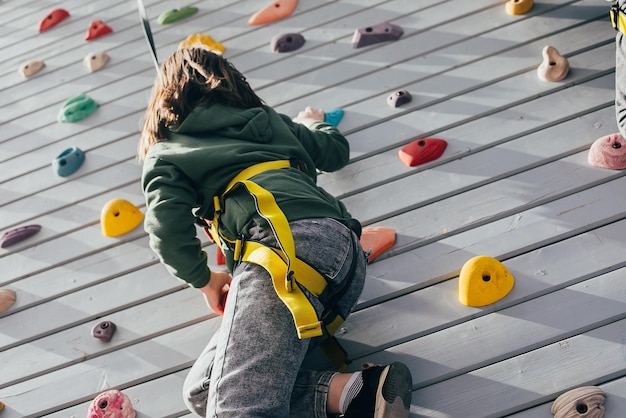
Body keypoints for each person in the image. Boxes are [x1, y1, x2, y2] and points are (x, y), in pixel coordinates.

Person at [138, 47, 412, 418]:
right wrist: (312, 122)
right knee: (206, 389)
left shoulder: (168, 150)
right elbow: (334, 151)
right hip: (343, 256)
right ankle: (354, 392)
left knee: (237, 405)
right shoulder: (267, 120)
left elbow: (165, 231)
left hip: (280, 252)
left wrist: (204, 280)